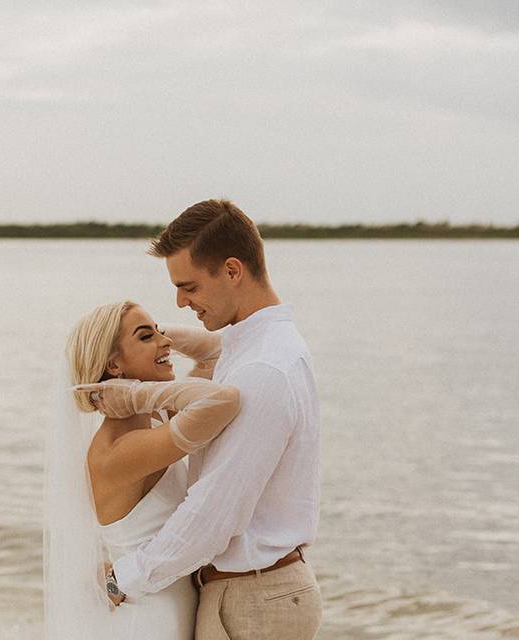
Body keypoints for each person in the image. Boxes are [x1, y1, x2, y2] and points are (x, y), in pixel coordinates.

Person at [107, 199, 323, 639]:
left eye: (189, 287)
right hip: (255, 594)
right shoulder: (260, 346)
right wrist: (156, 342)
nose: (181, 301)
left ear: (231, 271)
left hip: (253, 601)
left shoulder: (262, 370)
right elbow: (218, 351)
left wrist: (125, 578)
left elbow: (214, 511)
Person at [46, 299, 241, 639]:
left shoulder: (155, 423)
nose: (165, 342)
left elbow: (217, 352)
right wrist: (139, 395)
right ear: (114, 365)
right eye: (145, 337)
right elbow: (223, 401)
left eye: (159, 333)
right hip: (151, 621)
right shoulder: (118, 451)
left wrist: (154, 336)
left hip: (173, 608)